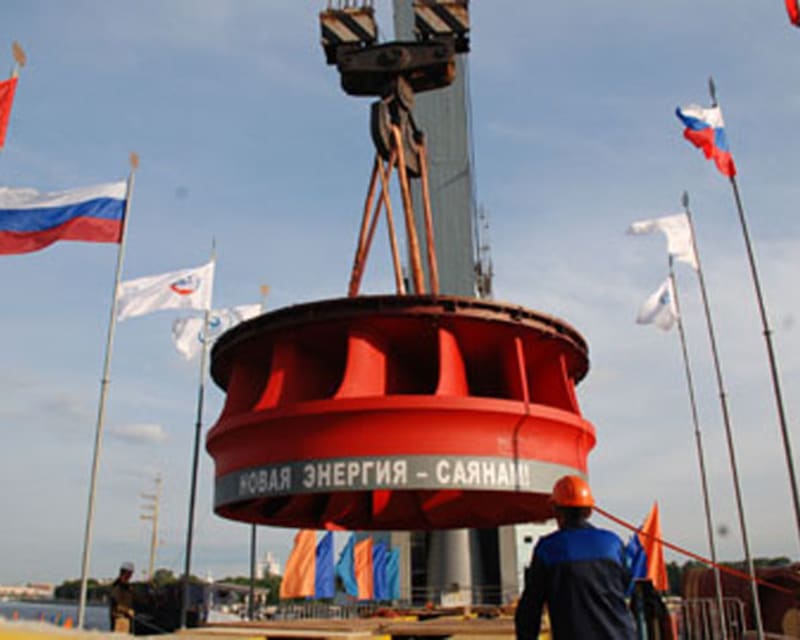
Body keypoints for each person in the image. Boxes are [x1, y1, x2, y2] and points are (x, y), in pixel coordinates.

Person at [514, 475, 636, 640]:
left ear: (556, 510)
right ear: (590, 510)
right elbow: (627, 585)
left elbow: (530, 608)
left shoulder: (548, 549)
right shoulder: (612, 543)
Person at [109, 561, 136, 633]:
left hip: (127, 619)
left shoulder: (128, 587)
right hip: (119, 619)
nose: (131, 576)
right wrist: (128, 611)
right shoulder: (117, 586)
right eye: (130, 573)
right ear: (125, 573)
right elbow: (117, 605)